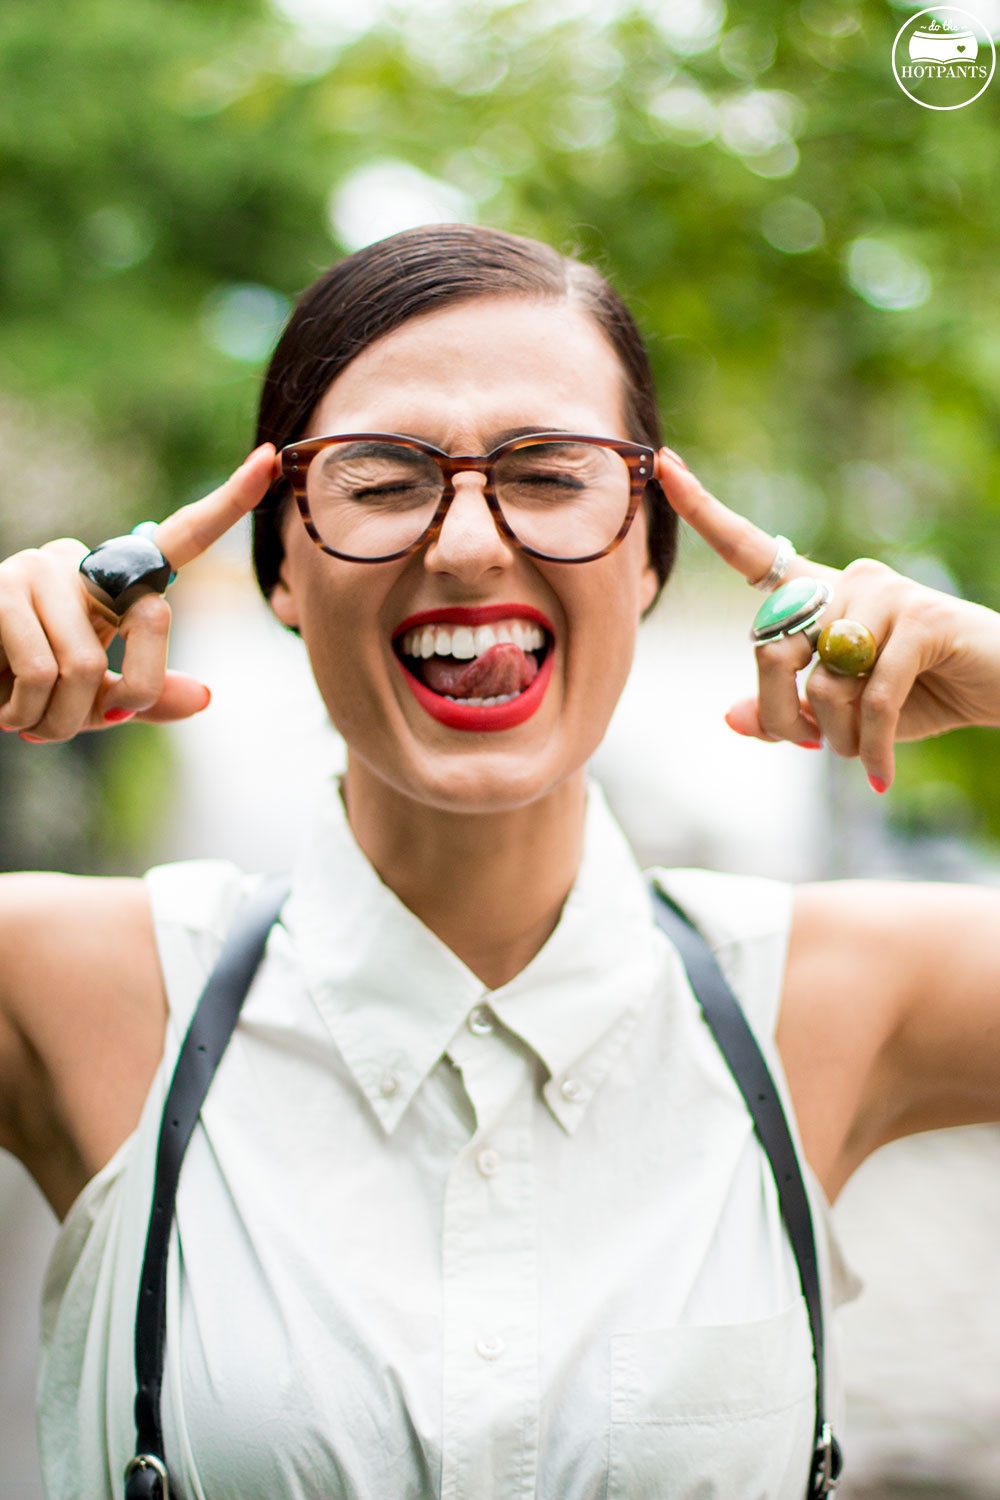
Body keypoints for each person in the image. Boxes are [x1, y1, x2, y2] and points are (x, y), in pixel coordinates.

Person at [1, 223, 1000, 1500]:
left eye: (547, 472)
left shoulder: (828, 995)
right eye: (379, 480)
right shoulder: (74, 986)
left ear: (646, 554)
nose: (468, 543)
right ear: (282, 570)